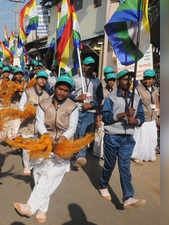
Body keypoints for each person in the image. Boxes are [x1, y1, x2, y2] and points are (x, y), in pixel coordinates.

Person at [14, 75, 79, 223]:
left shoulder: (73, 107)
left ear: (69, 92)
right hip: (43, 143)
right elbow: (39, 122)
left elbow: (73, 127)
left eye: (66, 90)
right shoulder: (44, 103)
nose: (62, 92)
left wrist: (65, 137)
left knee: (51, 176)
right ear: (55, 88)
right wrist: (44, 135)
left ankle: (31, 207)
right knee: (38, 174)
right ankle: (42, 209)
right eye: (60, 88)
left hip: (63, 146)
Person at [98, 70, 146, 209]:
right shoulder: (111, 98)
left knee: (125, 167)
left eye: (129, 79)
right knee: (109, 165)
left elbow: (141, 117)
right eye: (125, 79)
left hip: (128, 138)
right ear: (118, 81)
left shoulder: (136, 99)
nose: (128, 81)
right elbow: (106, 118)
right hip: (112, 136)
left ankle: (128, 197)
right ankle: (103, 184)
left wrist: (135, 121)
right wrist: (124, 114)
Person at [71, 56, 103, 168]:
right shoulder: (75, 79)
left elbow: (100, 98)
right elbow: (67, 94)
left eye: (92, 65)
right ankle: (76, 152)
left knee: (85, 135)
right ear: (82, 65)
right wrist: (77, 98)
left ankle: (81, 156)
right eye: (87, 65)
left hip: (90, 112)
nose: (89, 67)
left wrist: (91, 104)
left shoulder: (97, 82)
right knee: (77, 133)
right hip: (77, 111)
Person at [18, 70, 50, 176]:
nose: (42, 80)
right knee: (27, 147)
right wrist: (28, 112)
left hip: (39, 125)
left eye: (45, 79)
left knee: (37, 146)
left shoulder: (46, 95)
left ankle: (34, 165)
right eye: (40, 78)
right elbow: (21, 106)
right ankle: (27, 165)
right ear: (36, 79)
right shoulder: (27, 92)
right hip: (27, 124)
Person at [131, 69, 160, 162]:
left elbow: (156, 102)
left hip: (152, 119)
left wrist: (158, 116)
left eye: (150, 79)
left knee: (151, 138)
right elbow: (134, 104)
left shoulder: (156, 89)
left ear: (153, 79)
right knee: (140, 138)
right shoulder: (138, 89)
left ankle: (148, 155)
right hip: (142, 118)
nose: (147, 81)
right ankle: (136, 155)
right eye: (146, 78)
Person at [93, 73, 116, 159]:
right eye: (110, 80)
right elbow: (98, 105)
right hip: (102, 115)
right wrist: (98, 119)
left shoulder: (115, 92)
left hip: (111, 117)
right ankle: (100, 153)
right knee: (100, 134)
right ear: (106, 81)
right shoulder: (101, 91)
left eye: (113, 80)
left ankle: (108, 153)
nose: (111, 82)